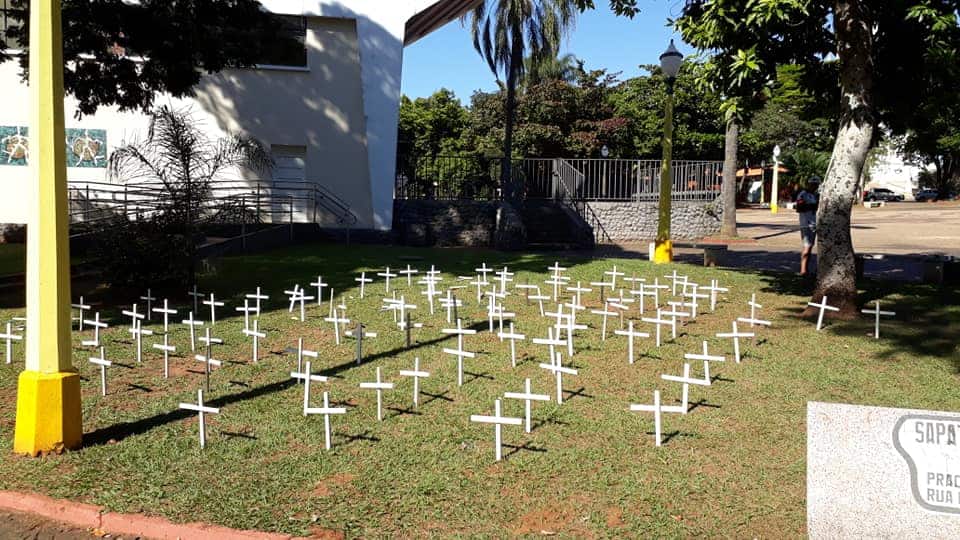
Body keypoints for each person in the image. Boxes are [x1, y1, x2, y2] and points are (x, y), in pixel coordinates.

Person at [796, 176, 820, 276]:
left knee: (811, 247)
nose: (815, 187)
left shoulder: (816, 195)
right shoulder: (803, 194)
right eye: (813, 185)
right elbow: (799, 208)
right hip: (806, 224)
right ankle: (803, 270)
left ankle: (808, 269)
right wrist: (811, 206)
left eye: (816, 185)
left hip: (814, 224)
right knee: (807, 246)